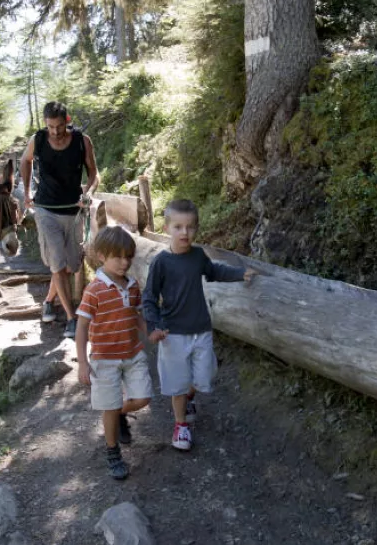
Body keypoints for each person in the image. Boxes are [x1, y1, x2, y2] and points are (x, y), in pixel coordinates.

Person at [142, 199, 256, 451]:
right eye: (178, 227)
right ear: (167, 227)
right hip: (172, 334)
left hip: (201, 329)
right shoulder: (161, 262)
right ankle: (181, 424)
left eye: (190, 227)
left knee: (205, 375)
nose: (185, 233)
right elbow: (149, 297)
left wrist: (239, 274)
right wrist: (154, 326)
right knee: (177, 383)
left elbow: (213, 271)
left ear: (196, 228)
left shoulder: (197, 256)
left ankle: (188, 397)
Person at [75, 226, 152, 480]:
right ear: (101, 257)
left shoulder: (132, 285)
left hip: (133, 353)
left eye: (128, 256)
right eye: (117, 256)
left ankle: (119, 413)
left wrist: (150, 332)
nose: (124, 262)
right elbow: (82, 328)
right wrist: (83, 363)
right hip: (104, 359)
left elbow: (137, 315)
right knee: (108, 407)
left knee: (143, 398)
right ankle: (112, 452)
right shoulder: (94, 290)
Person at [21, 101, 99, 338]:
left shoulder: (82, 141)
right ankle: (71, 317)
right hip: (46, 210)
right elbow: (26, 161)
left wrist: (88, 193)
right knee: (57, 262)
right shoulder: (38, 140)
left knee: (71, 265)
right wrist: (26, 193)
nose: (54, 132)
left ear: (66, 121)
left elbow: (94, 174)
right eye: (50, 127)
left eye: (58, 126)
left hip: (73, 211)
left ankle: (48, 301)